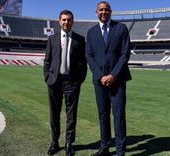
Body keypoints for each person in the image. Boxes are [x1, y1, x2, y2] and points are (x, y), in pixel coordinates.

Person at [85, 1, 132, 156]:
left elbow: (124, 54)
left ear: (110, 12)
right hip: (99, 82)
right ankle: (104, 147)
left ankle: (120, 150)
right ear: (96, 12)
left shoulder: (121, 28)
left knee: (118, 115)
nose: (103, 12)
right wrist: (100, 76)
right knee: (102, 114)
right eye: (101, 10)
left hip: (117, 80)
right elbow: (89, 56)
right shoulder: (91, 32)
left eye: (106, 9)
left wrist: (113, 75)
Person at [43, 10, 87, 156]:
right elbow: (47, 61)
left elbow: (83, 63)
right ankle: (54, 142)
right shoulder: (52, 39)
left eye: (69, 20)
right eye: (64, 20)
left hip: (72, 82)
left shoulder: (80, 40)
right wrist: (47, 78)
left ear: (72, 21)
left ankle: (69, 143)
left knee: (71, 114)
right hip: (54, 81)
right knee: (54, 113)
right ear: (59, 21)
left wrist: (79, 80)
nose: (66, 22)